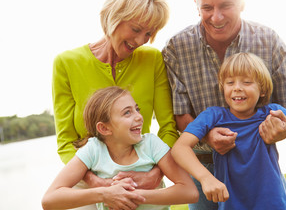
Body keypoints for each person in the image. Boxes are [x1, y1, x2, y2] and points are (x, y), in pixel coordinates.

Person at [162, 0, 286, 209]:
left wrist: (279, 130)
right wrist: (208, 137)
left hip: (258, 168)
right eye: (207, 7)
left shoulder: (269, 41)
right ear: (196, 4)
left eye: (226, 5)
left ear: (242, 1)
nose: (216, 17)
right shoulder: (177, 48)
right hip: (203, 167)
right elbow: (180, 115)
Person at [171, 52, 286, 210]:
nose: (237, 88)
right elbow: (180, 148)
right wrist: (206, 178)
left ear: (262, 89)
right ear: (223, 88)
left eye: (246, 82)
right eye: (230, 82)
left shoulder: (273, 113)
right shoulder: (212, 116)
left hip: (275, 204)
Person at [52, 0, 179, 207]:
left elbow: (169, 128)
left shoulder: (153, 60)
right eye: (136, 29)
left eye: (149, 33)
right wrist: (98, 183)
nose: (141, 40)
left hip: (143, 179)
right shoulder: (66, 63)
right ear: (114, 17)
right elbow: (65, 141)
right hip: (86, 184)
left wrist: (156, 174)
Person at [42, 86, 198, 210]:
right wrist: (105, 194)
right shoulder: (93, 150)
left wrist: (135, 195)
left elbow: (190, 192)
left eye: (137, 109)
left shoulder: (151, 144)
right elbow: (49, 200)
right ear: (104, 129)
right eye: (127, 113)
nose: (138, 116)